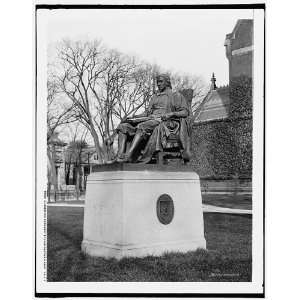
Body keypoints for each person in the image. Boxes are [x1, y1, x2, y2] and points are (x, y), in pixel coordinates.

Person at [114, 74, 192, 163]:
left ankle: (129, 156)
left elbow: (185, 112)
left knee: (142, 126)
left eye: (160, 81)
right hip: (149, 119)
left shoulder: (175, 95)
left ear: (167, 82)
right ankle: (120, 156)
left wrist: (171, 114)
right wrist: (134, 117)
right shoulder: (155, 96)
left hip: (164, 121)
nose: (158, 84)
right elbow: (147, 112)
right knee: (123, 126)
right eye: (157, 82)